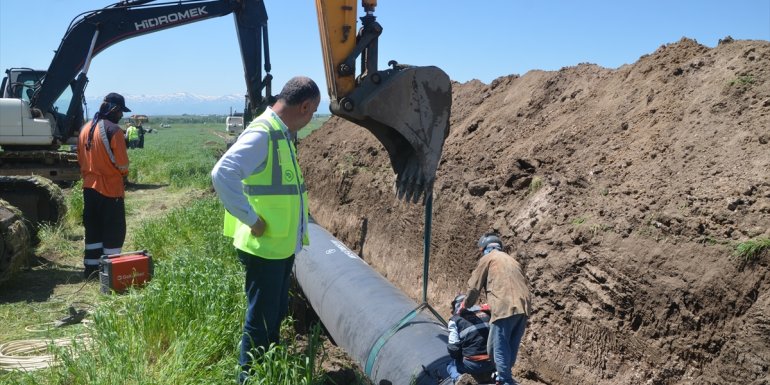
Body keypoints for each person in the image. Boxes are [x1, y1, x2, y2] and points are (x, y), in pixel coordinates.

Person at [210, 76, 320, 384]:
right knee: (260, 320)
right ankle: (249, 378)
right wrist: (251, 219)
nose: (311, 119)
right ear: (304, 106)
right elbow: (222, 173)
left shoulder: (280, 133)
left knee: (273, 315)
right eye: (313, 112)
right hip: (264, 248)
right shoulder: (264, 132)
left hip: (279, 247)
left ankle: (267, 371)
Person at [463, 232, 532, 385]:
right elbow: (511, 286)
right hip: (523, 307)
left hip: (504, 307)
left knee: (497, 348)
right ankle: (503, 376)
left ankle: (505, 381)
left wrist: (466, 304)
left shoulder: (488, 258)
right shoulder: (512, 260)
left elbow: (474, 287)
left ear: (484, 248)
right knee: (510, 346)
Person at [76, 92, 131, 279]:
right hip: (110, 189)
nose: (121, 115)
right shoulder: (114, 130)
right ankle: (110, 272)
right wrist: (123, 175)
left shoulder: (85, 129)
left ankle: (91, 270)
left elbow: (80, 159)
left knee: (93, 230)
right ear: (113, 109)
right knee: (114, 231)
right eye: (121, 111)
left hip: (88, 189)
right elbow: (123, 165)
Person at [445, 294, 496, 384]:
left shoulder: (455, 320)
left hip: (472, 364)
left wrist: (460, 356)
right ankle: (496, 375)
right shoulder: (487, 313)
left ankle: (459, 379)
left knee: (451, 365)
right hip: (492, 362)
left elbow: (454, 349)